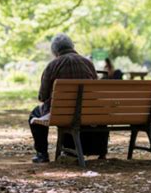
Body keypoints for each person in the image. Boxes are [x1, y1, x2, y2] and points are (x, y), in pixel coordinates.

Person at [28, 33, 108, 163]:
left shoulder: (52, 65)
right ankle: (99, 151)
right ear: (72, 46)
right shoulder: (88, 63)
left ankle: (42, 154)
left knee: (35, 114)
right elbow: (95, 91)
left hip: (60, 112)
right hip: (88, 111)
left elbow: (43, 97)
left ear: (54, 51)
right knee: (84, 108)